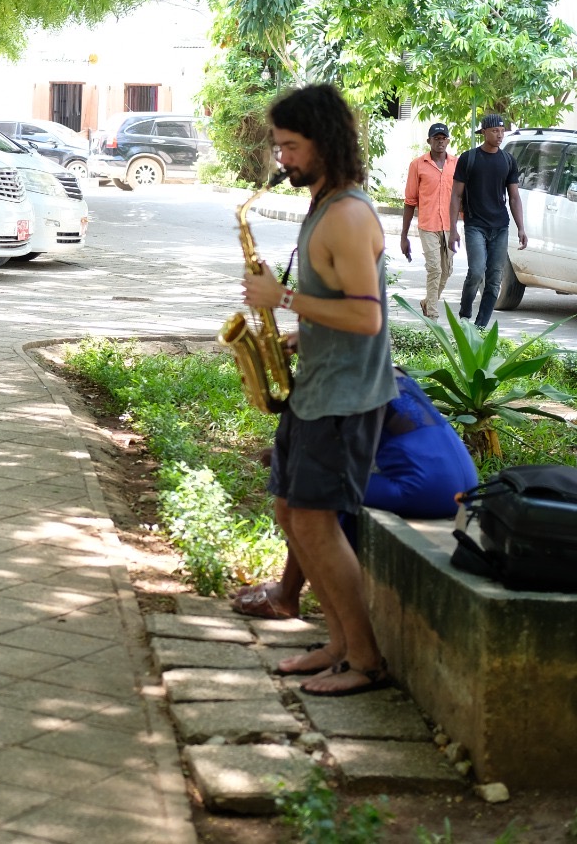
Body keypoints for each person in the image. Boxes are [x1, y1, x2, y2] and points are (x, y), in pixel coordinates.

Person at [241, 83, 396, 697]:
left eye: (290, 146)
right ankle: (336, 642)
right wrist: (302, 337)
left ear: (324, 142)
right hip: (320, 389)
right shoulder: (324, 205)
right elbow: (338, 308)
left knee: (313, 522)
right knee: (291, 514)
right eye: (278, 147)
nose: (281, 158)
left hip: (347, 399)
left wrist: (279, 298)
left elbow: (367, 317)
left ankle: (365, 661)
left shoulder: (350, 216)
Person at [231, 367, 481, 619]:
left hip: (423, 487)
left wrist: (285, 458)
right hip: (466, 482)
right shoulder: (390, 371)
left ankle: (286, 596)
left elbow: (330, 456)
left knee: (313, 494)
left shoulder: (350, 380)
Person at [450, 113, 526, 329]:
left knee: (494, 279)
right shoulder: (469, 158)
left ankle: (480, 327)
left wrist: (521, 227)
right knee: (476, 271)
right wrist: (453, 228)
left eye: (502, 131)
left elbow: (514, 197)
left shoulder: (508, 161)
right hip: (475, 225)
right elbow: (456, 195)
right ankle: (465, 317)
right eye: (495, 131)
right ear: (483, 132)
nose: (500, 135)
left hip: (500, 227)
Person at [399, 123, 457, 319]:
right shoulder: (417, 165)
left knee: (446, 271)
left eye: (443, 138)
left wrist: (459, 226)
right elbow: (410, 201)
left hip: (449, 226)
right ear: (429, 141)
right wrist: (404, 236)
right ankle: (432, 317)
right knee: (434, 268)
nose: (440, 141)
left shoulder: (456, 164)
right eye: (436, 138)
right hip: (428, 226)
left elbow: (460, 197)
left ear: (448, 140)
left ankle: (427, 302)